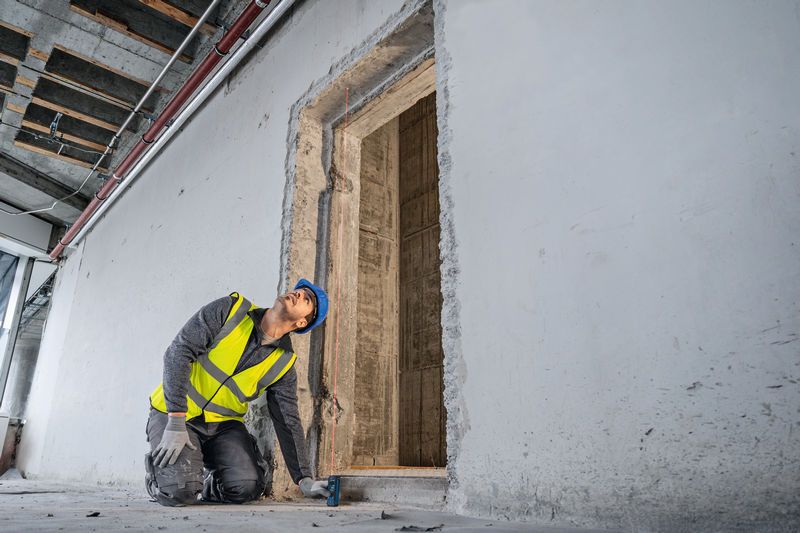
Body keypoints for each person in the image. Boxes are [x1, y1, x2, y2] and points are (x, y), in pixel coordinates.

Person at [144, 279, 331, 506]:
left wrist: (304, 479)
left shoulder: (283, 364)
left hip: (222, 426)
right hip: (174, 413)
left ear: (302, 322)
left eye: (306, 299)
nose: (298, 294)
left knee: (247, 487)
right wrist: (175, 419)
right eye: (298, 290)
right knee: (180, 492)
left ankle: (207, 482)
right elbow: (178, 353)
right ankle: (160, 480)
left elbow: (288, 420)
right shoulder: (230, 310)